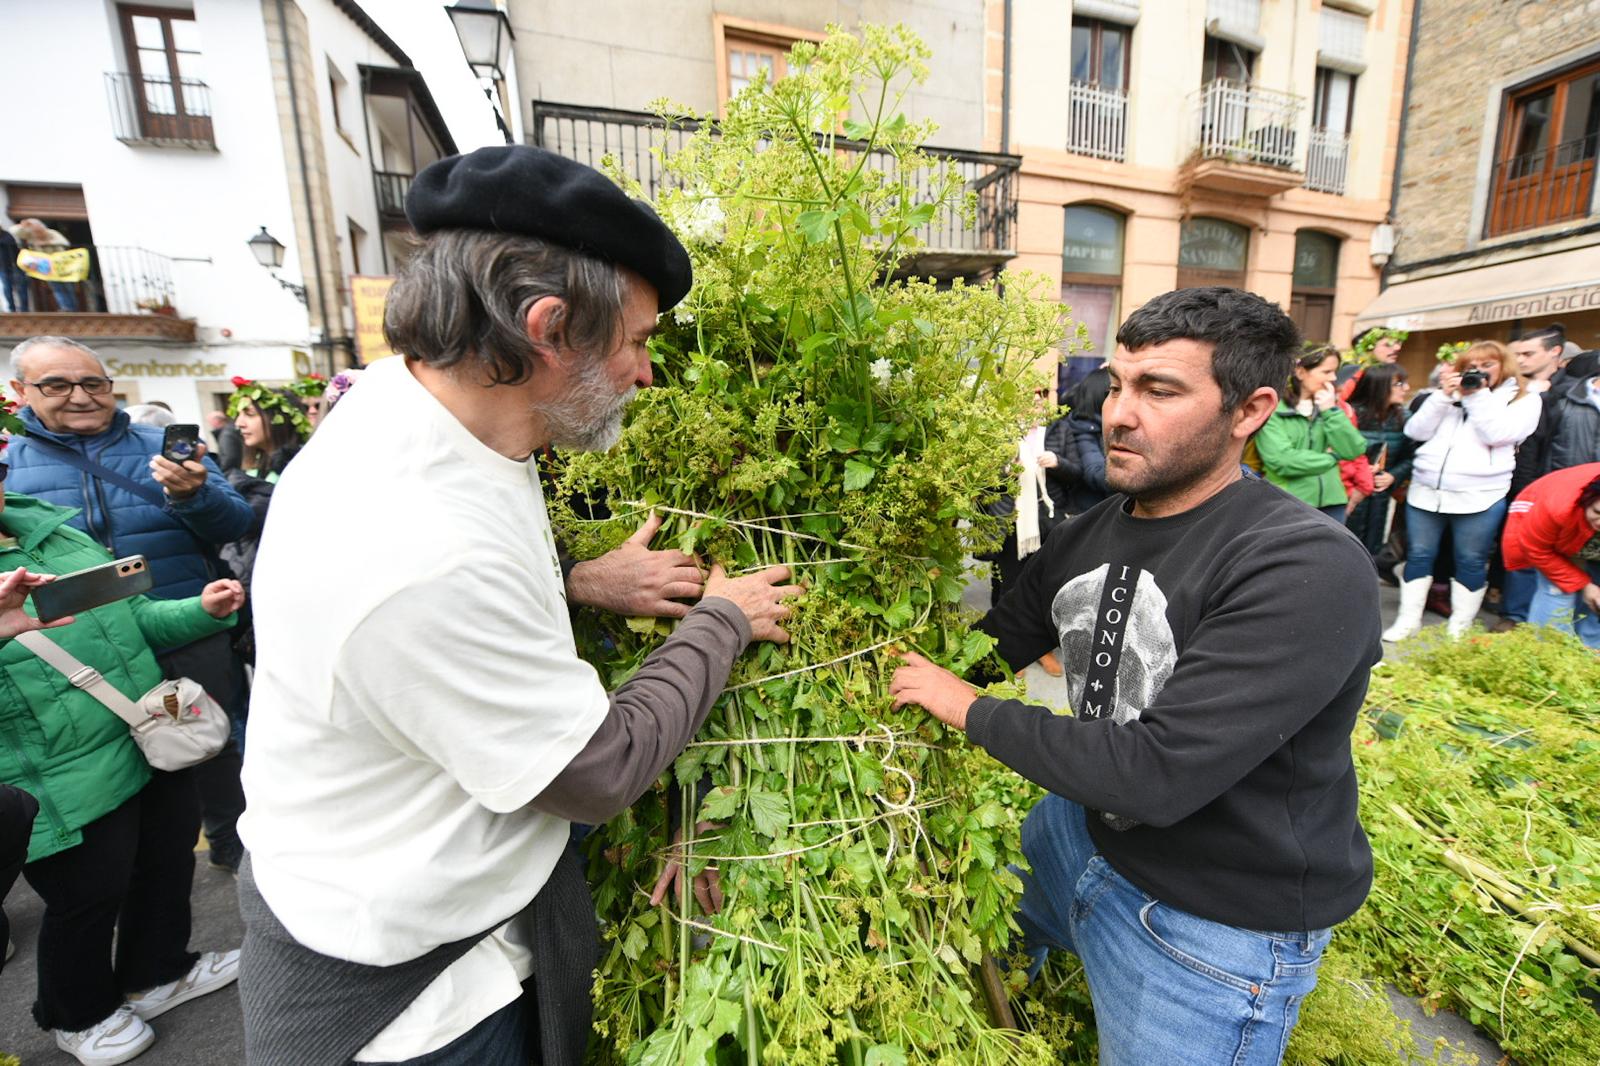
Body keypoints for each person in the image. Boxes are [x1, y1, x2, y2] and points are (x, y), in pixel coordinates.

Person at [236, 144, 802, 1066]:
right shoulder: (414, 543)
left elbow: (463, 582)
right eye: (638, 341)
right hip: (421, 1006)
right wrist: (722, 621)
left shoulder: (423, 412)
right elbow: (596, 771)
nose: (645, 374)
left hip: (407, 903)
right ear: (549, 327)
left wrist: (581, 580)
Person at [891, 286, 1379, 1066]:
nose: (1119, 412)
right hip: (1073, 832)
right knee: (1006, 947)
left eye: (1161, 390)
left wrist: (966, 709)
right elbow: (997, 641)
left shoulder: (1302, 565)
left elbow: (1157, 775)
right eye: (1119, 383)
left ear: (1249, 411)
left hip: (1209, 923)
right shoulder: (1094, 528)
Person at [1, 475, 246, 1065]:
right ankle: (77, 1014)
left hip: (142, 733)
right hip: (53, 768)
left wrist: (203, 609)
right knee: (86, 895)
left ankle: (157, 971)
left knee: (162, 863)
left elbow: (136, 617)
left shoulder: (52, 530)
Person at [5, 335, 255, 873]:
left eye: (93, 382)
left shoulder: (160, 446)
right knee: (115, 761)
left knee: (211, 739)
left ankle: (233, 843)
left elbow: (237, 525)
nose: (80, 395)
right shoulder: (9, 469)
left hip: (187, 621)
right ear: (21, 391)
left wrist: (195, 495)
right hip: (75, 648)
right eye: (58, 384)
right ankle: (128, 880)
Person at [1383, 341, 1542, 641]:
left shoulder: (1524, 399)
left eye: (1487, 365)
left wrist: (1477, 396)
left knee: (1470, 559)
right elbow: (1414, 431)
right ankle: (1407, 621)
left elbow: (1498, 434)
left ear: (1504, 366)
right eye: (1471, 367)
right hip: (1427, 491)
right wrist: (1443, 396)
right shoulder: (1443, 396)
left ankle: (1459, 629)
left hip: (1480, 495)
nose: (1477, 372)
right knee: (1418, 555)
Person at [1254, 346, 1368, 522]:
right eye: (1327, 372)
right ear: (1300, 372)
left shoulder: (1330, 410)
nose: (1334, 378)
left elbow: (1354, 449)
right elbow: (1282, 460)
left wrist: (1330, 411)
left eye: (1335, 372)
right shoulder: (1274, 410)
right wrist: (1332, 458)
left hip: (1333, 503)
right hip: (1288, 502)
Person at [1502, 462, 1600, 649]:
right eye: (1597, 512)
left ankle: (1592, 656)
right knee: (1559, 593)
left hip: (1590, 545)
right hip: (1557, 539)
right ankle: (1546, 654)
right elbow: (1538, 550)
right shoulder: (1557, 507)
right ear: (1587, 500)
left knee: (1596, 603)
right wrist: (1585, 585)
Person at [1345, 364, 1416, 573]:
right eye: (1399, 383)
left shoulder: (1405, 417)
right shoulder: (1350, 413)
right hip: (1350, 491)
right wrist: (1361, 471)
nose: (1406, 388)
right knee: (1343, 543)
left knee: (1371, 550)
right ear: (1379, 386)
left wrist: (1393, 476)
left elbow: (1412, 456)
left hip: (1379, 494)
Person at [1064, 366, 1112, 514]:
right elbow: (1096, 474)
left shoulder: (1104, 425)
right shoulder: (1083, 428)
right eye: (1115, 391)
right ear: (1101, 397)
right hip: (1091, 514)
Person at [9, 219, 79, 313]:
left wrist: (47, 243)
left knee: (68, 287)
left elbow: (65, 243)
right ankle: (66, 308)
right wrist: (23, 225)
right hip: (48, 267)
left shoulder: (52, 233)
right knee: (57, 288)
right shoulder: (31, 235)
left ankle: (73, 308)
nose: (37, 233)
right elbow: (13, 231)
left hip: (62, 265)